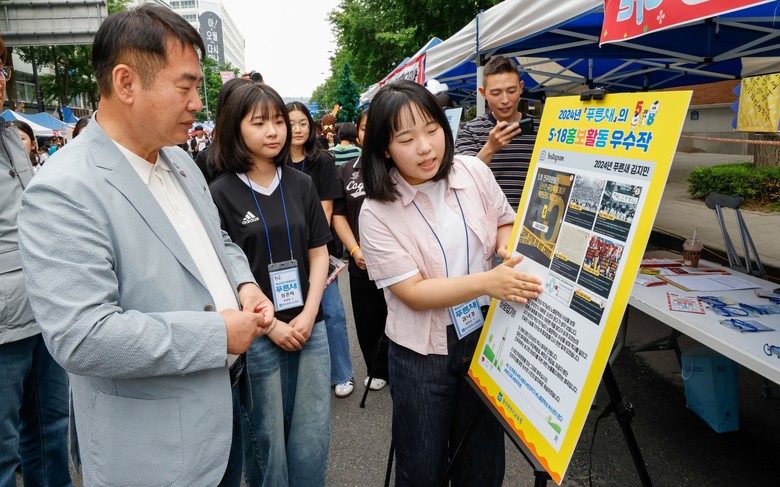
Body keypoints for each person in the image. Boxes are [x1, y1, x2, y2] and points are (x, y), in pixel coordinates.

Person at [16, 5, 274, 486]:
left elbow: (215, 239)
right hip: (156, 451)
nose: (197, 103)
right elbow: (84, 336)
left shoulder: (180, 161)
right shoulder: (64, 190)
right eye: (186, 87)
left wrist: (243, 284)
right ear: (126, 82)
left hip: (224, 411)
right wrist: (217, 335)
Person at [358, 81, 543, 486]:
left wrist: (505, 247)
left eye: (431, 130)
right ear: (385, 148)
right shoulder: (376, 212)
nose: (425, 147)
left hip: (481, 335)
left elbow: (504, 220)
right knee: (422, 467)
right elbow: (413, 292)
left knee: (482, 463)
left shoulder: (473, 171)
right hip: (422, 354)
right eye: (406, 139)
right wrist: (488, 282)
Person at [209, 82, 332, 486]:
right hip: (258, 333)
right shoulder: (219, 192)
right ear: (235, 128)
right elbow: (224, 271)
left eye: (278, 121)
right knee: (267, 441)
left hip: (310, 327)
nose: (274, 131)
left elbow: (319, 253)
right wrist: (271, 325)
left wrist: (310, 313)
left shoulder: (301, 184)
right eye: (259, 122)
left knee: (312, 435)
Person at [0, 37, 72, 487]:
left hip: (44, 311)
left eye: (1, 70)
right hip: (4, 326)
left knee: (50, 434)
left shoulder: (11, 136)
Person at [286, 101, 354, 398]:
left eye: (302, 123)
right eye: (290, 124)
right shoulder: (273, 161)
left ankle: (342, 373)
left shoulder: (322, 161)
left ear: (311, 127)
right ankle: (307, 376)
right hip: (285, 251)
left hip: (318, 249)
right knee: (293, 313)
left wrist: (311, 247)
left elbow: (326, 209)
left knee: (332, 312)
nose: (297, 129)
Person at [332, 109, 389, 391]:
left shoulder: (400, 166)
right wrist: (354, 250)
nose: (371, 132)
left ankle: (402, 365)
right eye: (366, 128)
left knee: (401, 315)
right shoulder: (346, 170)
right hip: (361, 260)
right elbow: (338, 215)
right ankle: (376, 368)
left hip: (398, 259)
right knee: (368, 318)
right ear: (358, 132)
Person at [455, 55, 536, 210]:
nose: (505, 100)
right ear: (483, 93)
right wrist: (490, 148)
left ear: (521, 88)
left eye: (511, 91)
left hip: (532, 218)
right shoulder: (469, 130)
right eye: (496, 93)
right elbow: (463, 180)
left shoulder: (542, 128)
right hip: (491, 220)